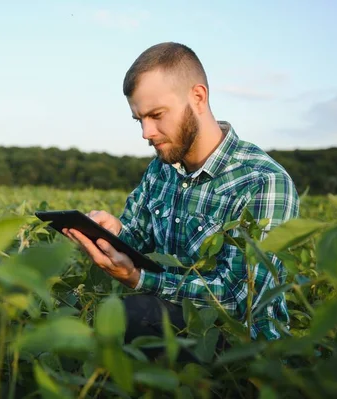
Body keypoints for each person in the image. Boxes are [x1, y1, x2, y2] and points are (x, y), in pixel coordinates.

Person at [62, 42, 299, 359]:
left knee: (129, 314)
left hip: (242, 346)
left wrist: (139, 279)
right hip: (171, 322)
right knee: (102, 320)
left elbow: (239, 300)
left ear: (198, 97)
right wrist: (115, 232)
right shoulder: (162, 169)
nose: (147, 132)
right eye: (139, 119)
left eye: (156, 115)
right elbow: (142, 239)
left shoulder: (263, 181)